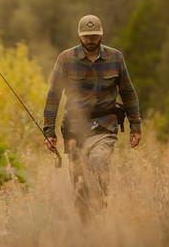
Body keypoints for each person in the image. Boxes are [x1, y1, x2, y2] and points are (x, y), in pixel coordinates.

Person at [42, 14, 141, 220]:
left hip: (106, 125)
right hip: (75, 129)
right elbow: (53, 96)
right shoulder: (65, 59)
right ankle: (86, 227)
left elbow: (128, 92)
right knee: (79, 184)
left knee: (98, 161)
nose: (90, 40)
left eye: (94, 36)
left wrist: (135, 125)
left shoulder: (116, 58)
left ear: (101, 35)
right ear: (80, 36)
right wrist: (49, 131)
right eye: (87, 36)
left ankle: (100, 210)